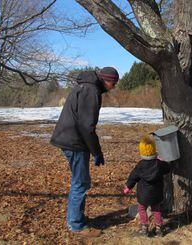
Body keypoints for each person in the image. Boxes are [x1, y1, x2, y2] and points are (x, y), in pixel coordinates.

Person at [50, 67, 119, 236]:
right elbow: (86, 126)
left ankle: (76, 218)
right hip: (74, 142)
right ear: (105, 80)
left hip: (70, 138)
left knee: (80, 181)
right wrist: (96, 151)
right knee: (80, 183)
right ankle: (76, 224)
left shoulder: (86, 86)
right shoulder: (91, 90)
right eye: (113, 83)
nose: (114, 87)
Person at [123, 135, 171, 237]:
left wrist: (128, 187)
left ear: (142, 151)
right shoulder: (159, 164)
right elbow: (168, 169)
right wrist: (162, 160)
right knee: (156, 210)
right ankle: (159, 229)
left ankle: (144, 227)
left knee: (141, 209)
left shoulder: (140, 165)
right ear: (153, 148)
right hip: (156, 194)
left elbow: (133, 177)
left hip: (143, 195)